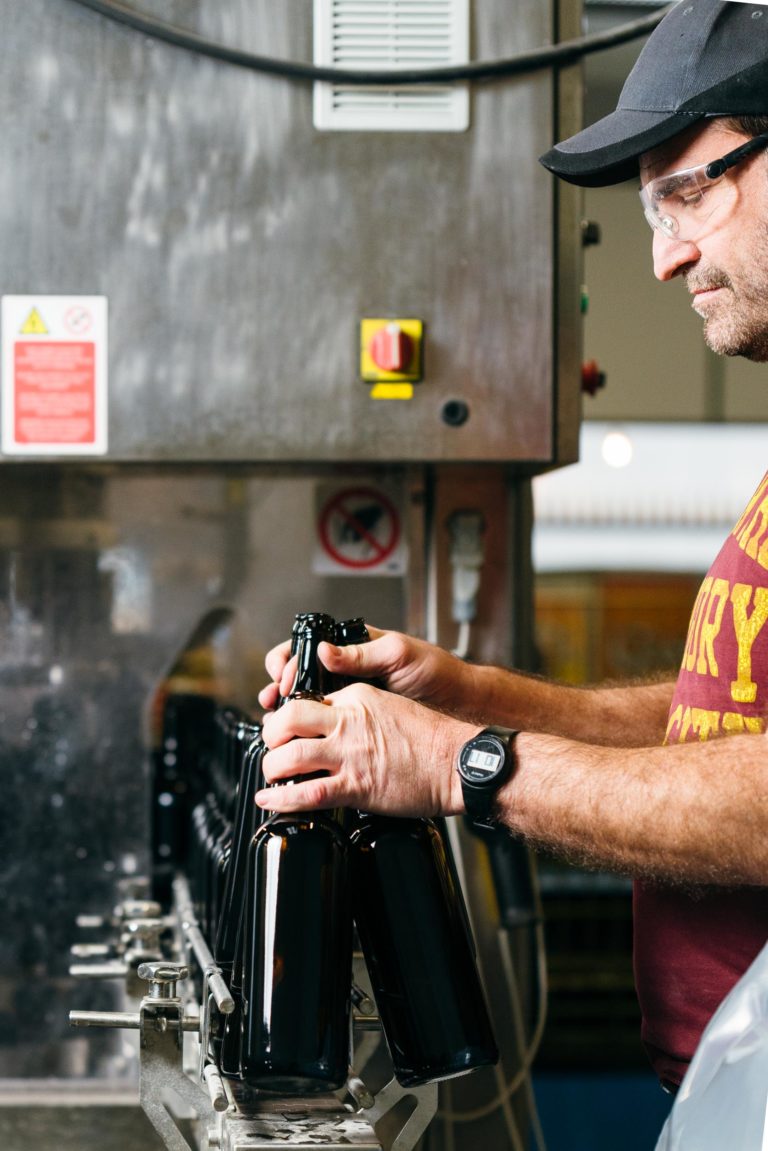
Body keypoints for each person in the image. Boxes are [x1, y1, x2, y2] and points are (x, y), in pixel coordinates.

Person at [256, 0, 768, 1094]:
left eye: (688, 191)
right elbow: (720, 726)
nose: (668, 257)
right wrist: (476, 700)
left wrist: (452, 765)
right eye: (648, 212)